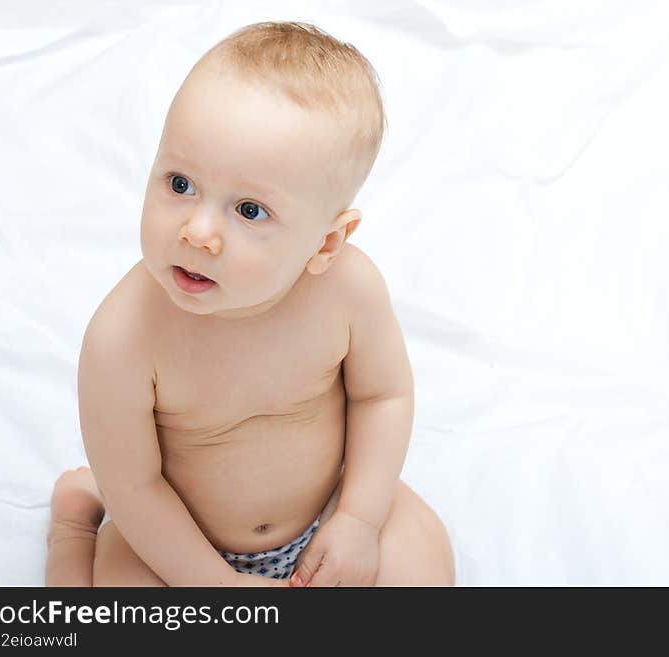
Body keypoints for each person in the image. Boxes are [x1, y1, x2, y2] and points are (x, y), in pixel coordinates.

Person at [44, 21, 454, 587]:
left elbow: (383, 396)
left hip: (327, 516)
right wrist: (222, 589)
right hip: (177, 548)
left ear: (325, 244)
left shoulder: (349, 291)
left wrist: (358, 519)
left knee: (424, 566)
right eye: (180, 183)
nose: (197, 231)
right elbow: (135, 490)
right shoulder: (123, 337)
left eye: (250, 211)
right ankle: (74, 530)